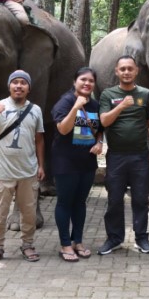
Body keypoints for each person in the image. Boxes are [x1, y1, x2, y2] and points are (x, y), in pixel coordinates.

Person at [0, 70, 45, 265]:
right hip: (1, 171)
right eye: (15, 82)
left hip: (28, 171)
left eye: (23, 83)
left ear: (28, 88)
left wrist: (41, 165)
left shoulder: (36, 110)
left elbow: (39, 139)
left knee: (29, 213)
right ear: (9, 86)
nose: (19, 86)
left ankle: (28, 245)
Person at [97, 56, 149, 255]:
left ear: (136, 71)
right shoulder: (108, 94)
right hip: (116, 157)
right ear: (116, 71)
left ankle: (141, 239)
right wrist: (121, 106)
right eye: (122, 69)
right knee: (114, 199)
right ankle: (114, 238)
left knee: (140, 199)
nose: (126, 72)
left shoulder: (145, 94)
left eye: (129, 69)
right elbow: (104, 121)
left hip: (140, 156)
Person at [50, 67, 104, 262]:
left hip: (87, 163)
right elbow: (63, 129)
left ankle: (77, 241)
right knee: (65, 202)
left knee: (80, 203)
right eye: (83, 80)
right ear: (75, 82)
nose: (87, 83)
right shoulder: (64, 102)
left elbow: (99, 129)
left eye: (91, 81)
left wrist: (99, 143)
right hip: (65, 163)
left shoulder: (95, 105)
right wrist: (75, 107)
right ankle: (65, 244)